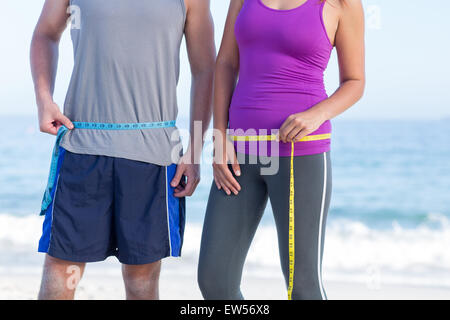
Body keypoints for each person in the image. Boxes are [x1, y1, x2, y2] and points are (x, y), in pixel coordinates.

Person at [30, 0, 215, 300]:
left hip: (154, 157)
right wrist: (43, 98)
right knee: (61, 273)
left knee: (141, 282)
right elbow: (46, 33)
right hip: (82, 148)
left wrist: (195, 148)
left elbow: (205, 68)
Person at [198, 0, 365, 300]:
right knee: (215, 281)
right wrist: (219, 138)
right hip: (239, 153)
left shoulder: (342, 4)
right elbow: (225, 63)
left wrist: (316, 115)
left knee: (301, 286)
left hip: (300, 154)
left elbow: (355, 82)